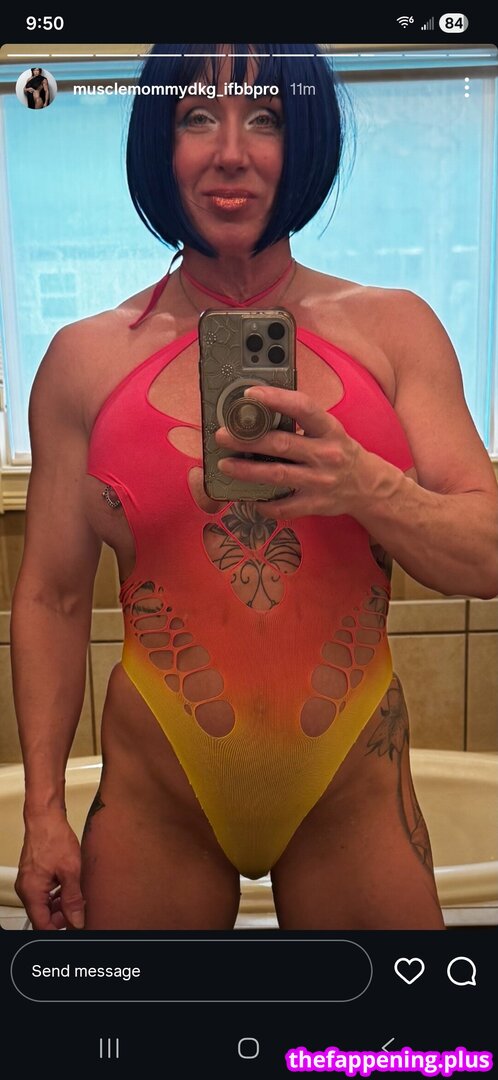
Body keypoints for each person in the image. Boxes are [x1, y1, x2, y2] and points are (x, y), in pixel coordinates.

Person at [11, 44, 498, 932]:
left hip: (351, 790)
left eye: (264, 117)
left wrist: (367, 486)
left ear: (302, 140)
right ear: (159, 143)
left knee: (407, 1021)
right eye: (198, 116)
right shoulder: (84, 361)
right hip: (158, 796)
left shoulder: (395, 330)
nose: (230, 152)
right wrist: (42, 812)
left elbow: (487, 556)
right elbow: (50, 596)